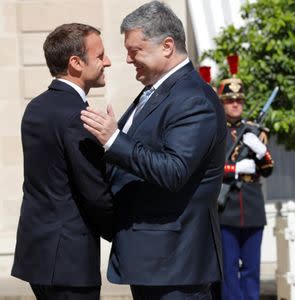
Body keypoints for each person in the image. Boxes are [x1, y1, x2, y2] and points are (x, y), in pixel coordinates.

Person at [80, 1, 226, 299]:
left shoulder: (192, 99)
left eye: (136, 50)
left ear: (167, 46)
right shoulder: (157, 90)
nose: (129, 59)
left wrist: (113, 140)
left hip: (175, 264)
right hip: (153, 260)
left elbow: (173, 170)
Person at [11, 23, 114, 300]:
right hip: (69, 262)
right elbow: (94, 193)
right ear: (76, 63)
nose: (108, 61)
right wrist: (125, 233)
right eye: (100, 55)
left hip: (38, 256)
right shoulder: (77, 117)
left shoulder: (36, 107)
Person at [217, 55, 274, 300]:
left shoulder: (254, 131)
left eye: (239, 100)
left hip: (252, 207)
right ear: (222, 103)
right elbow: (210, 169)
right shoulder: (214, 130)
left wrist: (262, 153)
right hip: (225, 209)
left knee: (252, 270)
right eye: (230, 101)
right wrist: (237, 169)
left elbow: (268, 169)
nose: (235, 105)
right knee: (229, 272)